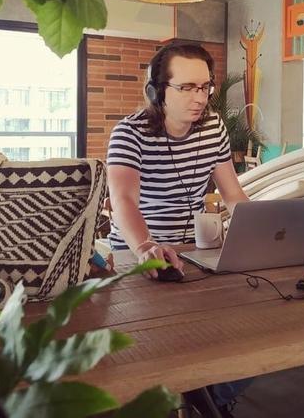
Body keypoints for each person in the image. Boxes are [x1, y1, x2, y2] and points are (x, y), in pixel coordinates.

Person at [106, 43, 251, 416]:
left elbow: (232, 192)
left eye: (205, 87)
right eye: (187, 88)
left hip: (192, 252)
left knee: (249, 329)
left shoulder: (214, 127)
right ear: (157, 91)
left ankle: (209, 398)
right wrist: (145, 247)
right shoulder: (130, 133)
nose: (199, 98)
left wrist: (260, 232)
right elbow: (123, 199)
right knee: (150, 350)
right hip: (135, 256)